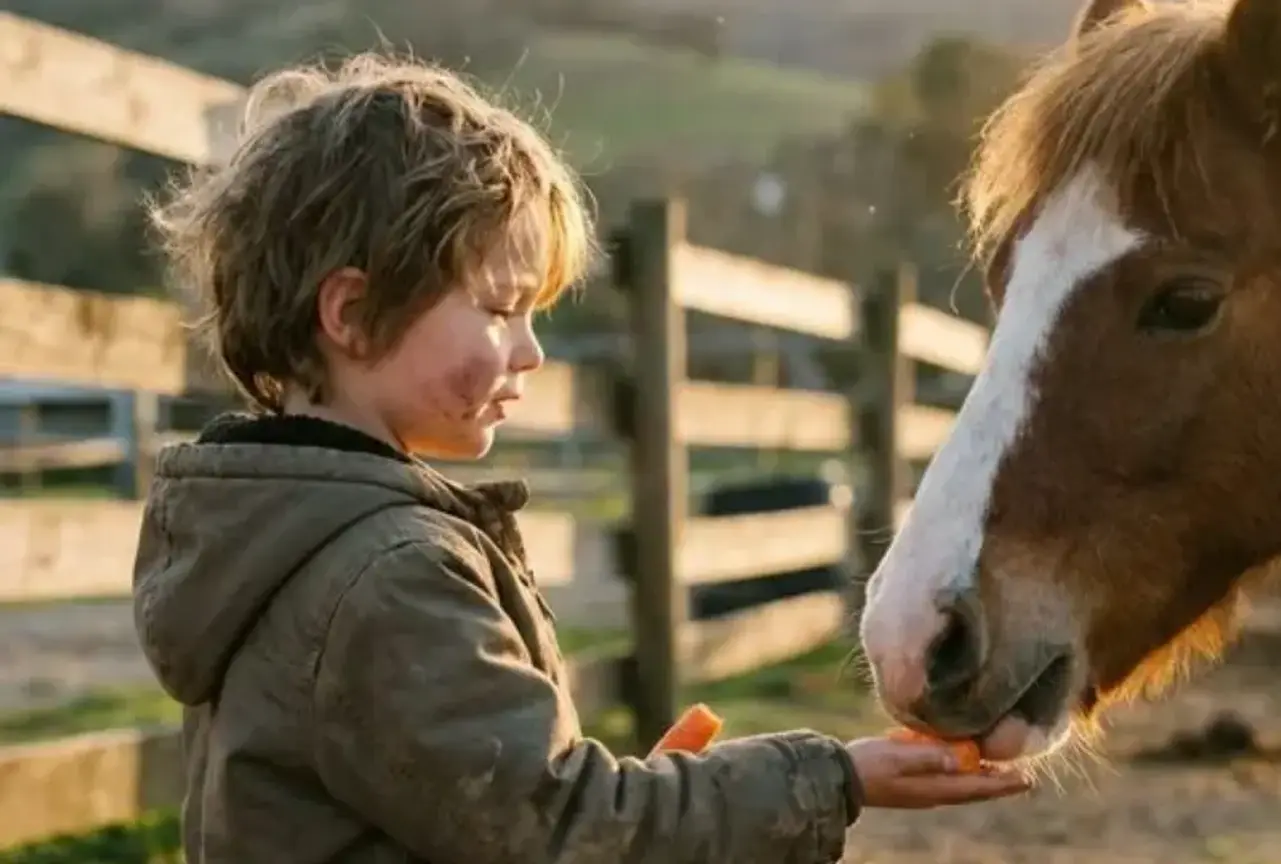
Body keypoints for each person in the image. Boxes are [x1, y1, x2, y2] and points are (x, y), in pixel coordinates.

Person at [132, 52, 1032, 864]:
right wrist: (832, 778)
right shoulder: (389, 572)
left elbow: (490, 810)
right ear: (353, 314)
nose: (530, 353)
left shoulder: (283, 537)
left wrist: (635, 793)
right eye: (498, 307)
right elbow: (558, 829)